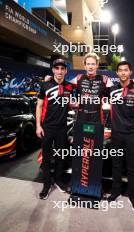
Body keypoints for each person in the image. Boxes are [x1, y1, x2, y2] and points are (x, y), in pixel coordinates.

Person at [108, 61, 134, 213]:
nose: (123, 73)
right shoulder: (111, 89)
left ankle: (133, 196)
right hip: (116, 134)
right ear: (117, 73)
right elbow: (92, 90)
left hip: (133, 134)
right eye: (120, 70)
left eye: (126, 70)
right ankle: (115, 191)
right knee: (116, 165)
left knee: (132, 167)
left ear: (130, 72)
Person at [36, 58, 74, 200]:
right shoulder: (45, 85)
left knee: (61, 157)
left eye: (62, 68)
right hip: (47, 127)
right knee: (46, 158)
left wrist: (75, 105)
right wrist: (38, 126)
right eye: (56, 68)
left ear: (65, 71)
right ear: (53, 70)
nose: (59, 71)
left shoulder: (70, 87)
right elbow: (39, 106)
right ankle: (46, 184)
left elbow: (69, 103)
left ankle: (58, 180)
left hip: (62, 128)